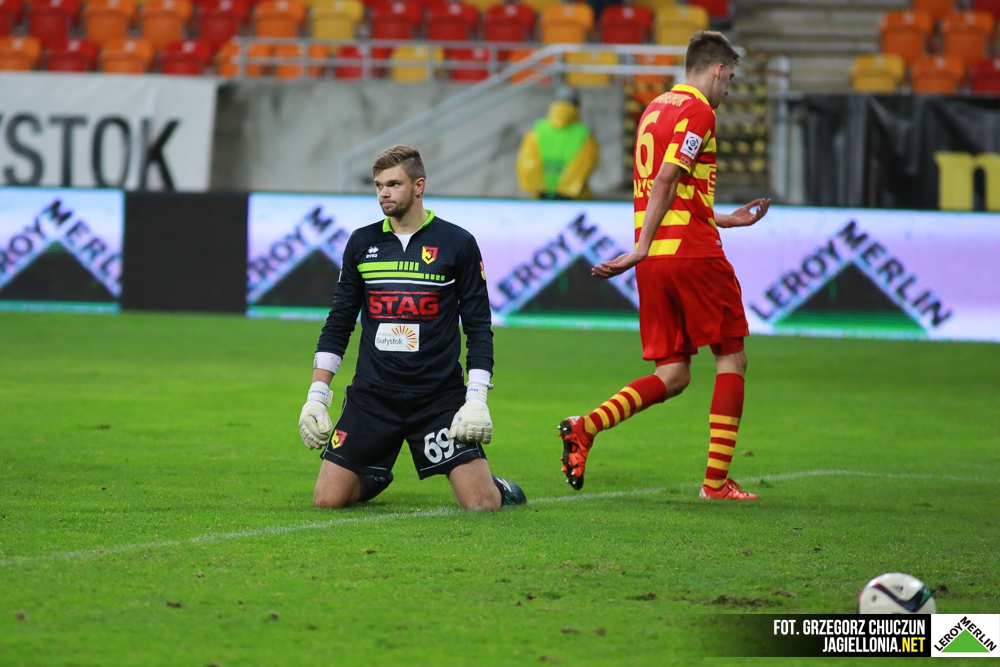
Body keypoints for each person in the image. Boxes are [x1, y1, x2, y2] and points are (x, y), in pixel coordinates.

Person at [557, 31, 771, 501]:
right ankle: (715, 483)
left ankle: (585, 427)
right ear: (717, 70)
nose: (728, 89)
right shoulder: (700, 112)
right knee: (732, 357)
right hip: (691, 255)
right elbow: (668, 179)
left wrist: (721, 219)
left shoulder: (654, 108)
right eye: (730, 79)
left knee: (673, 374)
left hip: (656, 261)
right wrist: (639, 246)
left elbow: (672, 189)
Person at [298, 145, 526, 510]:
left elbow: (479, 327)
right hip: (373, 397)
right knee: (327, 501)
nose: (383, 193)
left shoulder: (458, 243)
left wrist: (476, 398)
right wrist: (317, 394)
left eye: (393, 184)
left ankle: (496, 486)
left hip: (437, 399)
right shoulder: (361, 243)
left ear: (419, 186)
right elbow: (339, 322)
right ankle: (374, 474)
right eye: (378, 185)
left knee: (482, 504)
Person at [516, 86, 600, 200]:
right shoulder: (584, 135)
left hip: (541, 199)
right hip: (573, 200)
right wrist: (565, 189)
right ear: (577, 106)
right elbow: (583, 166)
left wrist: (542, 189)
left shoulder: (537, 131)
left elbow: (527, 164)